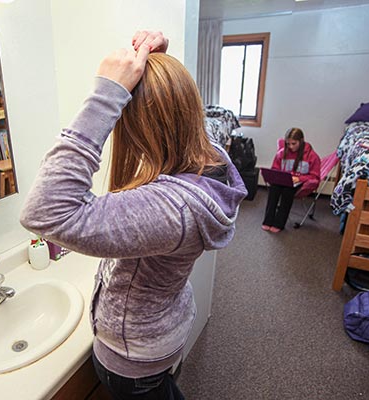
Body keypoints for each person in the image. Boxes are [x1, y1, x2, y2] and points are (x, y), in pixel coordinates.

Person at [20, 31, 247, 399]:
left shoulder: (170, 208)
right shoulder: (211, 159)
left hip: (132, 359)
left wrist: (107, 92)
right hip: (164, 325)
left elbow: (45, 210)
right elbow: (179, 121)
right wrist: (162, 76)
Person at [262, 127, 320, 233]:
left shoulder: (312, 156)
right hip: (283, 179)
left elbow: (315, 177)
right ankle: (268, 220)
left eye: (294, 143)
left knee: (287, 191)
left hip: (299, 183)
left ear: (301, 141)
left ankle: (279, 224)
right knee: (274, 188)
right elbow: (275, 169)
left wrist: (299, 178)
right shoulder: (281, 153)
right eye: (288, 144)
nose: (291, 146)